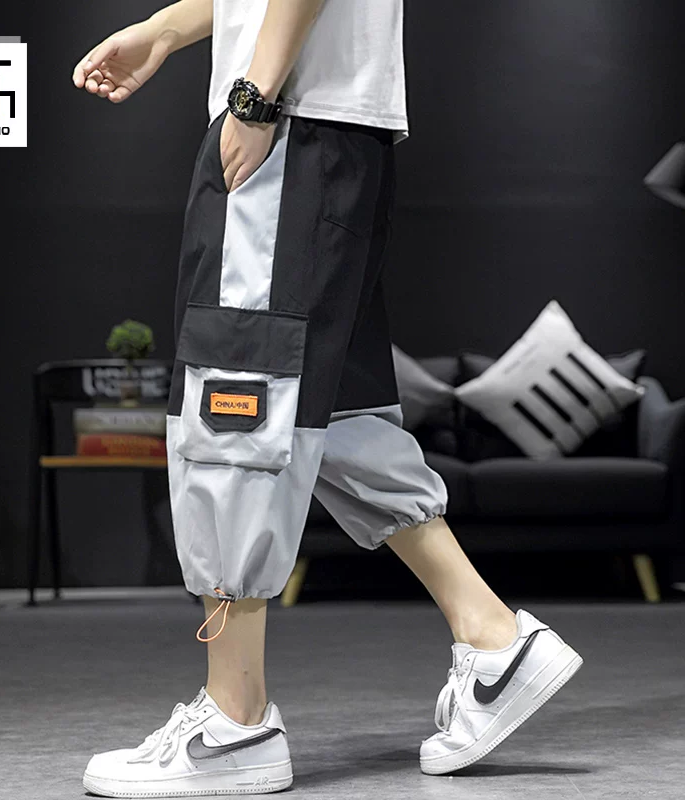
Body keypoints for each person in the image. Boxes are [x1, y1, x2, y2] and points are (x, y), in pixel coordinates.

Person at [72, 1, 583, 796]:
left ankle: (235, 722)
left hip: (291, 124)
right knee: (335, 415)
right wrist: (165, 31)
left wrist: (255, 97)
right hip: (333, 132)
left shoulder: (269, 108)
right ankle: (493, 639)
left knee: (236, 405)